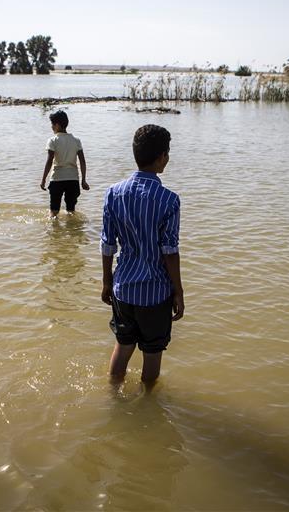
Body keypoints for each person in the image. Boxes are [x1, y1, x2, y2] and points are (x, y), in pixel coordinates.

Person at [100, 124, 184, 386]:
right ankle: (148, 405)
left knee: (123, 347)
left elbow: (107, 244)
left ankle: (113, 399)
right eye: (167, 154)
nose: (167, 159)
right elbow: (169, 252)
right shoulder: (169, 200)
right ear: (161, 157)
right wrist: (179, 292)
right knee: (152, 354)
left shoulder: (113, 193)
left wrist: (106, 282)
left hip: (123, 287)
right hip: (155, 293)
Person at [40, 110, 89, 217]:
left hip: (57, 179)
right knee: (71, 211)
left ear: (57, 125)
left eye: (52, 124)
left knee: (54, 212)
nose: (51, 127)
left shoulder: (53, 140)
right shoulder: (76, 140)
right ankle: (73, 232)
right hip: (73, 180)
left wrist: (43, 179)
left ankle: (54, 232)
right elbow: (82, 161)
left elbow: (49, 161)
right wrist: (83, 180)